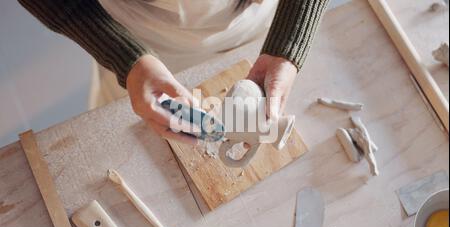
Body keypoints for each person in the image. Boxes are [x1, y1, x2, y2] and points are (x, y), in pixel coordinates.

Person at [18, 0, 329, 145]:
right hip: (140, 34)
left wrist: (288, 44)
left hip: (255, 25)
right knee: (129, 137)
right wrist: (125, 58)